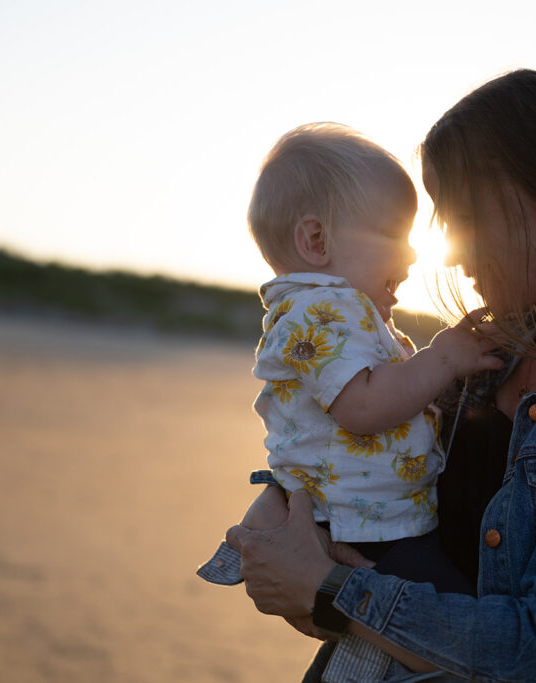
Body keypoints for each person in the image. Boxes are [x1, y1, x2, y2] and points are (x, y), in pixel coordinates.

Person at [224, 69, 536, 682]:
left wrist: (332, 590)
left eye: (462, 214)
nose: (453, 252)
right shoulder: (485, 353)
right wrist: (283, 531)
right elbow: (364, 470)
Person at [197, 123, 500, 597]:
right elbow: (360, 408)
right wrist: (442, 359)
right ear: (316, 241)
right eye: (394, 234)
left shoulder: (339, 311)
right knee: (448, 606)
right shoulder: (319, 311)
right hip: (366, 523)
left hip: (365, 511)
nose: (414, 252)